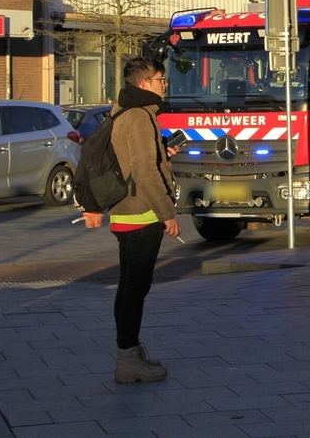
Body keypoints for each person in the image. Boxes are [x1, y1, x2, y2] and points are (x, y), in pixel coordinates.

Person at [82, 57, 181, 383]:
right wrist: (168, 213)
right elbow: (143, 171)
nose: (164, 83)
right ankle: (128, 361)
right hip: (141, 213)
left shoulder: (123, 109)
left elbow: (134, 160)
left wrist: (162, 153)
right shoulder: (140, 116)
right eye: (159, 78)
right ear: (144, 83)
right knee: (135, 289)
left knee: (129, 287)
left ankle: (130, 352)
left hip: (126, 211)